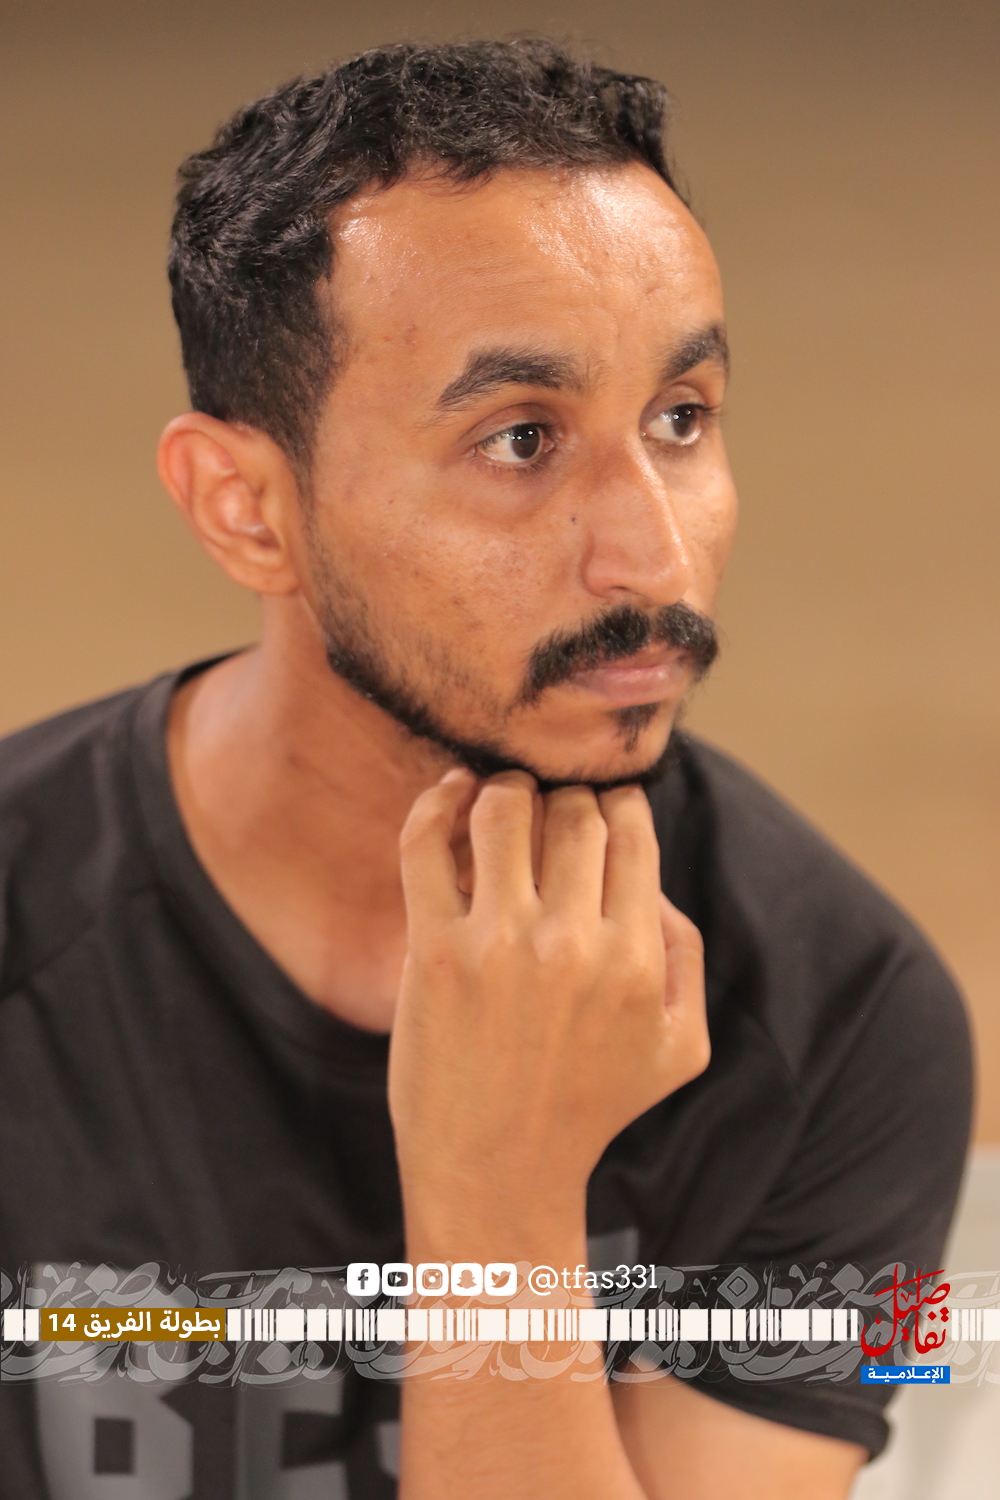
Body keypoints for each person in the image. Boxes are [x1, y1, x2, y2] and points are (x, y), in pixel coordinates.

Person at [0, 37, 972, 1500]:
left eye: (681, 419)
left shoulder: (858, 1024)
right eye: (520, 440)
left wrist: (500, 1200)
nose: (652, 556)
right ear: (246, 507)